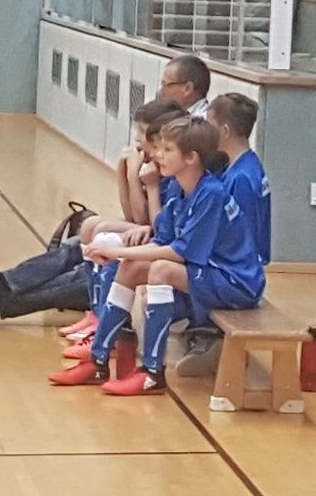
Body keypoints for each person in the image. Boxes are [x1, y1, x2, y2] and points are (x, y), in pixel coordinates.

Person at [50, 117, 266, 395]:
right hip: (209, 274)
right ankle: (98, 360)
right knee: (131, 267)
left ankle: (153, 372)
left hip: (236, 281)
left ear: (191, 158)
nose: (158, 155)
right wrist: (119, 256)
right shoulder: (177, 188)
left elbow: (179, 253)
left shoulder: (211, 193)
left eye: (167, 149)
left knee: (161, 269)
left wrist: (116, 251)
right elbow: (162, 239)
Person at [0, 100, 187, 325]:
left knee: (91, 265)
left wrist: (140, 180)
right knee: (80, 246)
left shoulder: (174, 177)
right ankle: (0, 288)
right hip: (155, 244)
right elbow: (135, 217)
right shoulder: (159, 167)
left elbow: (149, 224)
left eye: (143, 136)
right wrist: (124, 174)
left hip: (169, 259)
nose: (138, 143)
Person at [176, 93, 272, 377]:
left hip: (239, 269)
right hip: (240, 263)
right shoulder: (240, 166)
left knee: (188, 265)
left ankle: (208, 336)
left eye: (210, 124)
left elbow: (242, 236)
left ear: (225, 131)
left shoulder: (241, 179)